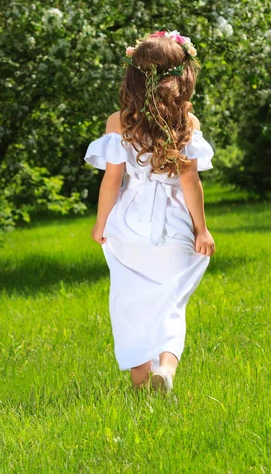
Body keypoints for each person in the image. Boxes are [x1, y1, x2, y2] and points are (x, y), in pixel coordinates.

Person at [84, 30, 216, 394]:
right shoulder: (188, 123)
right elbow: (190, 181)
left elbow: (112, 181)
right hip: (172, 227)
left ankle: (140, 385)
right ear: (182, 77)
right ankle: (167, 369)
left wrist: (101, 224)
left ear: (134, 77)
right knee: (170, 301)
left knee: (130, 302)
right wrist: (201, 230)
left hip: (129, 226)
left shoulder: (119, 122)